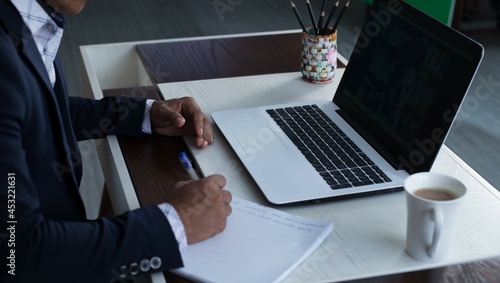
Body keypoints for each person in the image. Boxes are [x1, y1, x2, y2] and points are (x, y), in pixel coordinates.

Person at [0, 0, 232, 282]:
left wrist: (142, 115)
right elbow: (19, 254)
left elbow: (35, 113)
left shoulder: (24, 20)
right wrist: (177, 223)